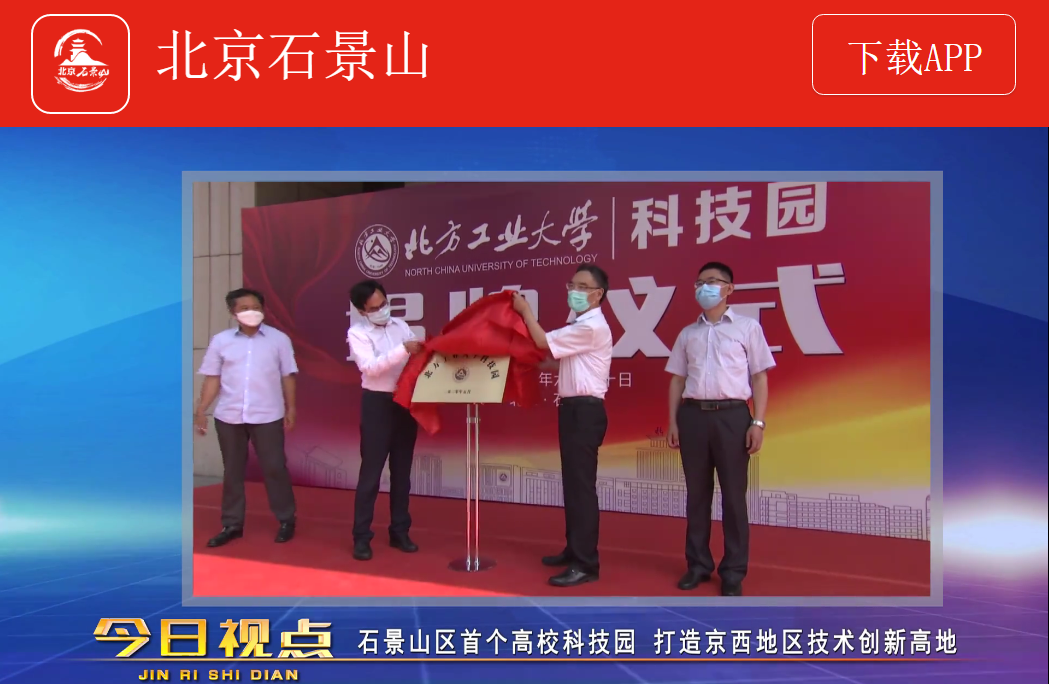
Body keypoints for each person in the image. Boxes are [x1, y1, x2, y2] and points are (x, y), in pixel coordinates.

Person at [665, 262, 775, 596]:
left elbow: (759, 377)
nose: (705, 288)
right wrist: (673, 421)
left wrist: (758, 422)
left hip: (732, 417)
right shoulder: (688, 334)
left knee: (733, 497)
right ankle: (698, 565)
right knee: (697, 495)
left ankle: (733, 571)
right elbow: (677, 380)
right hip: (693, 416)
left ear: (729, 289)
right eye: (700, 282)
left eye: (712, 281)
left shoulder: (747, 328)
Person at [512, 264, 613, 587]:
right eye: (572, 285)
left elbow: (543, 340)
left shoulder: (591, 326)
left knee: (581, 488)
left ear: (598, 294)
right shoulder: (580, 325)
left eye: (583, 287)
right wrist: (528, 362)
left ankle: (586, 563)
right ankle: (574, 549)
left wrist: (525, 311)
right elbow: (560, 361)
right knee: (572, 485)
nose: (574, 291)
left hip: (585, 412)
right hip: (572, 410)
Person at [196, 288, 299, 548]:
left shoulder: (279, 339)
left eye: (256, 307)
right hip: (229, 415)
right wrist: (201, 409)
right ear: (233, 313)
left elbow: (288, 375)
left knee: (274, 467)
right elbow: (212, 378)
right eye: (244, 308)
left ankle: (286, 519)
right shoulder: (221, 341)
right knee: (232, 471)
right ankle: (232, 524)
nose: (251, 312)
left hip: (268, 415)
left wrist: (291, 408)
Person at [346, 279, 425, 561]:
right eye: (374, 308)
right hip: (377, 404)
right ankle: (361, 536)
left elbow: (417, 359)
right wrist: (404, 349)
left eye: (384, 303)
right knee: (371, 473)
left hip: (404, 402)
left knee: (402, 473)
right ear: (361, 311)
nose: (382, 310)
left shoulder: (401, 326)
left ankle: (399, 531)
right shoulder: (357, 333)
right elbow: (371, 368)